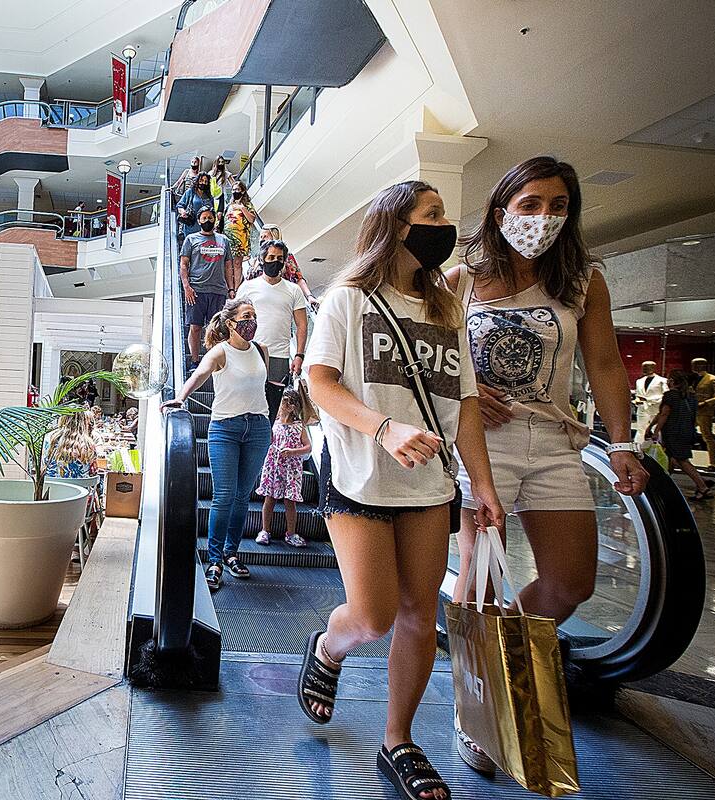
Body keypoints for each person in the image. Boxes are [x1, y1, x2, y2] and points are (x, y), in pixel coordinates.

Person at [303, 180, 504, 800]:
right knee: (372, 615)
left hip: (429, 485)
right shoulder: (348, 299)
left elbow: (465, 403)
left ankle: (400, 742)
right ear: (395, 224)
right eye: (432, 214)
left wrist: (484, 486)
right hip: (360, 476)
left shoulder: (446, 310)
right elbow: (321, 384)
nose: (444, 225)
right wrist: (383, 429)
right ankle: (328, 648)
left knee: (421, 615)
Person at [448, 156, 648, 775]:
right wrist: (469, 396)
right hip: (484, 445)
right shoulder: (460, 280)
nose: (543, 218)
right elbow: (431, 363)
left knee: (570, 582)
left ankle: (493, 654)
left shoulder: (583, 280)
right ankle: (474, 715)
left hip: (556, 441)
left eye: (558, 206)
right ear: (501, 208)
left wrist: (623, 443)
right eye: (530, 204)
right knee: (478, 580)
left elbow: (607, 364)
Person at [164, 298, 270, 592]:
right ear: (231, 322)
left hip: (259, 427)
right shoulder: (220, 352)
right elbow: (199, 374)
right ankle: (214, 561)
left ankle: (231, 553)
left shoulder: (262, 350)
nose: (252, 322)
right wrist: (181, 397)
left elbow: (261, 388)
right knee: (223, 495)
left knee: (242, 496)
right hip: (225, 428)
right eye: (247, 316)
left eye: (254, 316)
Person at [238, 238, 308, 420]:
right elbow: (233, 318)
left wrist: (299, 355)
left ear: (284, 261)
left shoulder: (293, 290)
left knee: (272, 409)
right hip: (250, 352)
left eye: (279, 258)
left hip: (280, 356)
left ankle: (265, 446)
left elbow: (302, 324)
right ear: (262, 259)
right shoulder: (247, 287)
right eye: (271, 257)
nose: (275, 261)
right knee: (245, 403)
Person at [255, 387, 312, 547]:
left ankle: (291, 533)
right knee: (269, 498)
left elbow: (308, 447)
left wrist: (293, 451)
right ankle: (265, 530)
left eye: (285, 403)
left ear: (293, 406)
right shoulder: (273, 423)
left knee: (290, 501)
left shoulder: (300, 426)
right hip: (273, 466)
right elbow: (267, 441)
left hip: (291, 469)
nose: (282, 406)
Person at [180, 206, 232, 371]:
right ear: (198, 220)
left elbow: (229, 266)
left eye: (210, 217)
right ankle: (195, 362)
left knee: (216, 330)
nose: (207, 220)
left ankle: (213, 362)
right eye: (204, 218)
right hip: (196, 291)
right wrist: (186, 287)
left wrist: (231, 289)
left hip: (218, 291)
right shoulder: (191, 239)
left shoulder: (224, 240)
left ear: (214, 219)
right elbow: (183, 265)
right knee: (195, 328)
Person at [648, 369, 712, 500]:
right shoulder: (691, 396)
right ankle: (664, 486)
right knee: (673, 459)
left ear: (672, 381)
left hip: (673, 432)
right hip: (686, 431)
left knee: (681, 460)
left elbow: (664, 414)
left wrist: (654, 430)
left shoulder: (670, 395)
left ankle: (702, 486)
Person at [245, 225, 319, 309]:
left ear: (274, 237)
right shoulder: (256, 261)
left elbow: (298, 278)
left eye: (265, 236)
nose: (262, 239)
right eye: (261, 236)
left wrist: (309, 296)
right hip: (260, 303)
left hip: (281, 301)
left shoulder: (285, 257)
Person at [691, 357, 715, 470]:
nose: (693, 367)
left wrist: (706, 403)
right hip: (692, 411)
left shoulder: (712, 379)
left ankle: (712, 463)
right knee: (684, 434)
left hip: (704, 412)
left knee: (707, 436)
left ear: (702, 365)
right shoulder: (694, 378)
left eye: (695, 365)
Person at [222, 181, 257, 294]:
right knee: (228, 264)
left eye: (237, 190)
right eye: (233, 190)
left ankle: (237, 288)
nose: (234, 192)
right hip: (228, 238)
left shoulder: (247, 205)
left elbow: (252, 219)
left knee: (237, 264)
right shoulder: (229, 205)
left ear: (242, 191)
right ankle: (229, 287)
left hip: (241, 239)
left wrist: (242, 208)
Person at [43, 412, 99, 478]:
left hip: (53, 486)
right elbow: (93, 471)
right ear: (83, 422)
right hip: (79, 487)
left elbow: (44, 464)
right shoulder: (89, 444)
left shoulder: (50, 438)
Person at [176, 173, 214, 246]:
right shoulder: (190, 192)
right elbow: (180, 205)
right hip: (191, 226)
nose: (203, 183)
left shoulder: (209, 196)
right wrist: (183, 212)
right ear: (197, 181)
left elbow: (213, 210)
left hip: (206, 227)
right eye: (201, 180)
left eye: (206, 181)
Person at [633, 360, 665, 443]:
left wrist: (649, 400)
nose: (645, 369)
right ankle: (638, 447)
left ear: (654, 368)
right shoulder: (639, 381)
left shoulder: (662, 381)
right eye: (644, 367)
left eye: (647, 367)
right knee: (641, 429)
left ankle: (659, 447)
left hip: (656, 408)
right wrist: (637, 400)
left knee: (657, 429)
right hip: (642, 408)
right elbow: (638, 394)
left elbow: (666, 395)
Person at [209, 155, 236, 229]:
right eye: (219, 162)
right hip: (212, 196)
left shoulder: (226, 174)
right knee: (211, 213)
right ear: (216, 163)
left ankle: (217, 228)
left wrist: (233, 197)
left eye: (222, 162)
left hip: (221, 196)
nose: (220, 164)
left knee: (220, 214)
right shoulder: (210, 173)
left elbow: (234, 184)